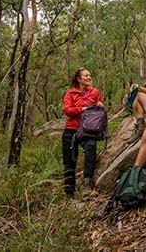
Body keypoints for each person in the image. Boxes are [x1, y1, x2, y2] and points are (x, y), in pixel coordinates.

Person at [62, 67, 104, 197]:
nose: (89, 77)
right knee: (69, 161)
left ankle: (87, 183)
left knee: (91, 148)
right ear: (78, 79)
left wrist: (100, 106)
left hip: (88, 130)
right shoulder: (70, 94)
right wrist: (83, 108)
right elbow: (67, 110)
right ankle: (69, 193)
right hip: (71, 129)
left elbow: (101, 109)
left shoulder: (94, 92)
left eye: (90, 75)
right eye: (86, 76)